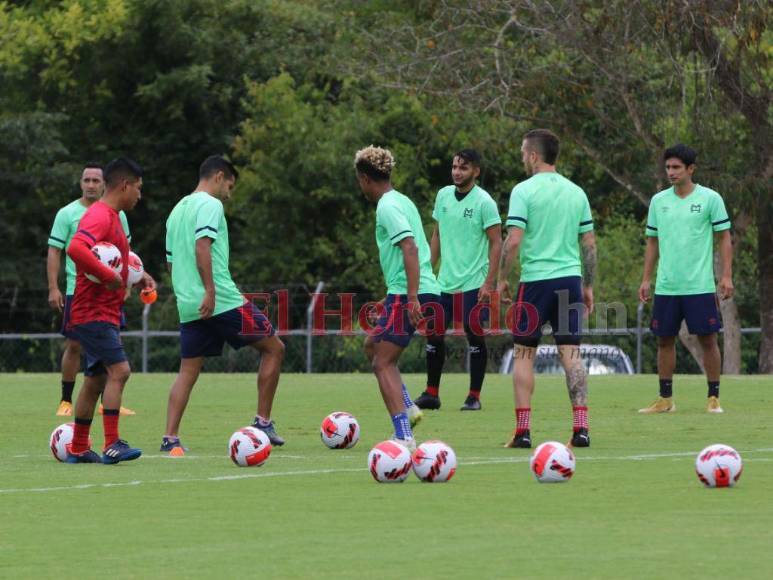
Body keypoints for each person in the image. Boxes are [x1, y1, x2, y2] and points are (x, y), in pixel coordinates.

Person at [161, 155, 286, 456]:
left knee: (188, 370)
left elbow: (170, 262)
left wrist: (188, 293)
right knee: (274, 348)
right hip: (221, 301)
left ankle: (170, 438)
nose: (228, 194)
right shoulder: (210, 205)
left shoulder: (176, 210)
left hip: (189, 304)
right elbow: (202, 245)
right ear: (218, 176)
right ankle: (263, 424)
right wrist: (210, 290)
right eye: (229, 186)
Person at [497, 129, 596, 449]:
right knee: (571, 354)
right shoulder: (576, 192)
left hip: (536, 282)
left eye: (523, 153)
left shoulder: (523, 191)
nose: (522, 159)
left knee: (524, 353)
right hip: (570, 281)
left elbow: (513, 240)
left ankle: (523, 432)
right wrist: (588, 285)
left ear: (533, 155)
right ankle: (581, 428)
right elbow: (589, 244)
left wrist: (501, 278)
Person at [64, 157, 155, 464]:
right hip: (93, 313)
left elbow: (115, 260)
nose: (139, 195)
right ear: (125, 185)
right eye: (138, 188)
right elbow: (75, 248)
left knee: (95, 380)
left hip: (103, 312)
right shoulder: (100, 215)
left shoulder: (113, 217)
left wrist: (138, 277)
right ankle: (112, 443)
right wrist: (108, 277)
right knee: (121, 371)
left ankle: (78, 447)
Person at [355, 145, 440, 451]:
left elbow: (410, 248)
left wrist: (411, 296)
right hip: (408, 290)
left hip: (411, 293)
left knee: (382, 362)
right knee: (372, 345)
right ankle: (409, 407)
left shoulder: (387, 206)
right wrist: (390, 297)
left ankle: (403, 434)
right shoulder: (402, 200)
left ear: (365, 179)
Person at [638, 144, 733, 414]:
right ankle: (665, 399)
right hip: (667, 286)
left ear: (691, 169)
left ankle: (713, 397)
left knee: (708, 340)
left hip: (699, 286)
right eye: (668, 167)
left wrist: (726, 275)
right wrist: (646, 279)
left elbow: (724, 237)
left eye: (677, 167)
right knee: (664, 341)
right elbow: (652, 242)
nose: (671, 172)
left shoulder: (710, 199)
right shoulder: (658, 202)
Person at [413, 149, 502, 411]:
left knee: (474, 336)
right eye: (454, 167)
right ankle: (431, 394)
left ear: (476, 171)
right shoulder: (443, 195)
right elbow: (437, 234)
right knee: (433, 335)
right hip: (443, 283)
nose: (457, 172)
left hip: (473, 283)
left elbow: (497, 242)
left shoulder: (484, 202)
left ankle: (474, 396)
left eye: (463, 168)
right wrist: (428, 269)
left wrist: (489, 283)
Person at [47, 163, 135, 417]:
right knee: (75, 345)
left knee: (112, 345)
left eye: (96, 180)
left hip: (109, 294)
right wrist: (54, 287)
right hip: (79, 292)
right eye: (86, 180)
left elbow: (126, 252)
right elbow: (56, 250)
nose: (91, 185)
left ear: (105, 184)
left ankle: (109, 401)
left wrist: (131, 280)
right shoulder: (67, 213)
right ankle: (65, 400)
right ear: (80, 183)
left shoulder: (118, 214)